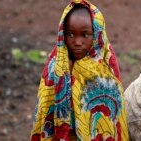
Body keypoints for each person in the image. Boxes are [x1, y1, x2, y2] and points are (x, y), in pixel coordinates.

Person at [30, 0, 129, 140]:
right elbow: (43, 113)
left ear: (96, 35)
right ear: (62, 34)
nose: (77, 42)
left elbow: (113, 123)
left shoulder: (105, 73)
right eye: (70, 34)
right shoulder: (55, 68)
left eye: (85, 35)